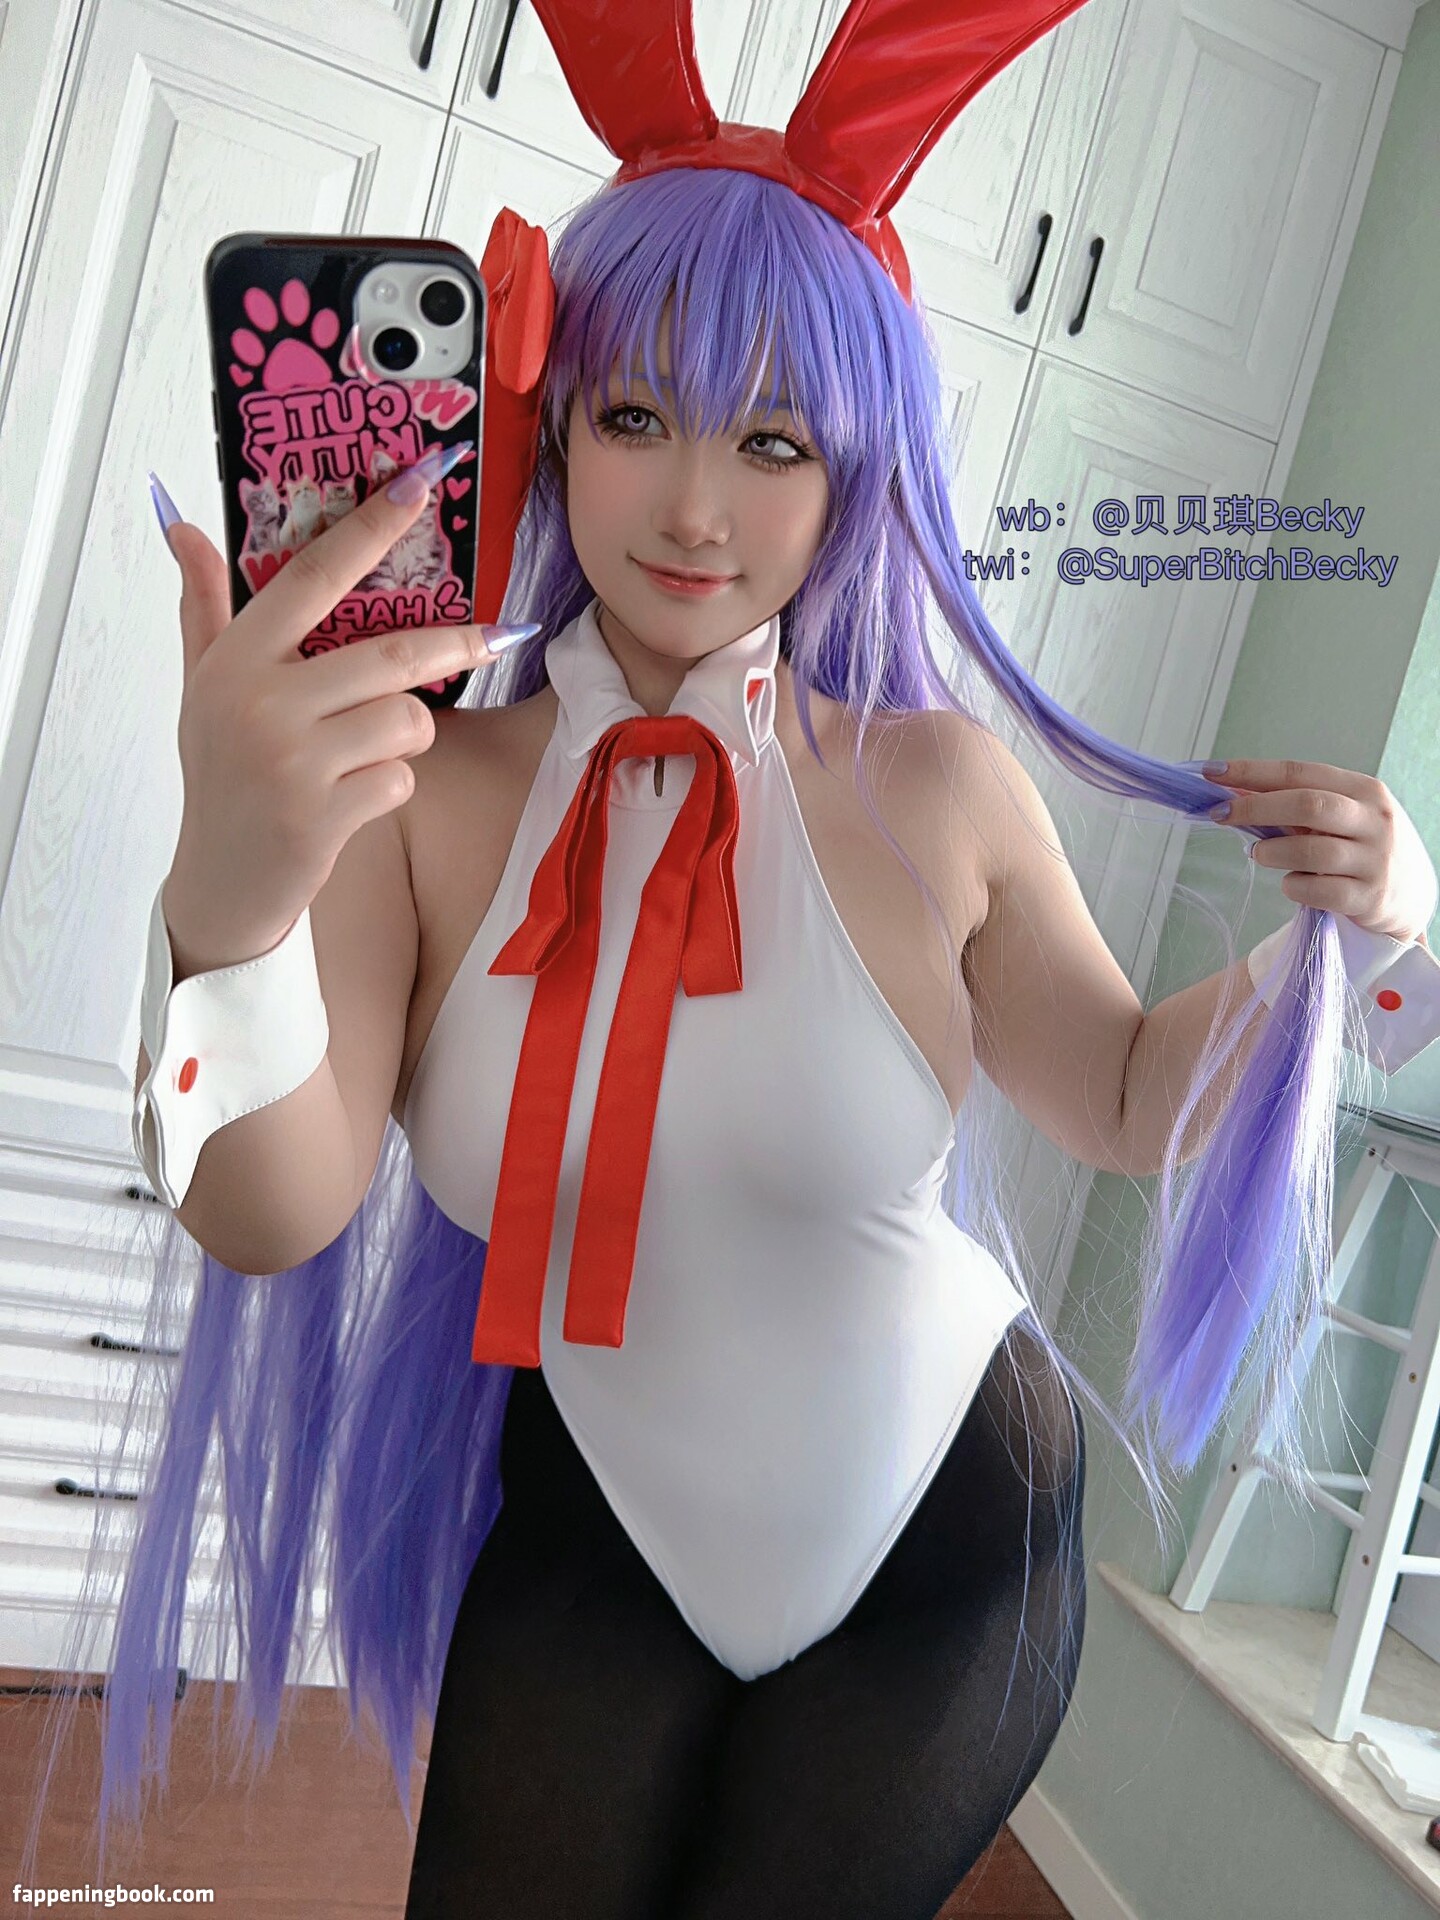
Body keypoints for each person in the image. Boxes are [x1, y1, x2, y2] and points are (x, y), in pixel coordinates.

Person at [21, 1, 1440, 1910]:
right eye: (636, 417)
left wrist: (1376, 942)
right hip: (597, 1515)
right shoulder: (422, 796)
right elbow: (265, 1215)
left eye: (773, 438)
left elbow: (1121, 1096)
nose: (698, 505)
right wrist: (228, 889)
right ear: (548, 424)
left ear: (856, 471)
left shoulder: (937, 787)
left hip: (944, 1533)